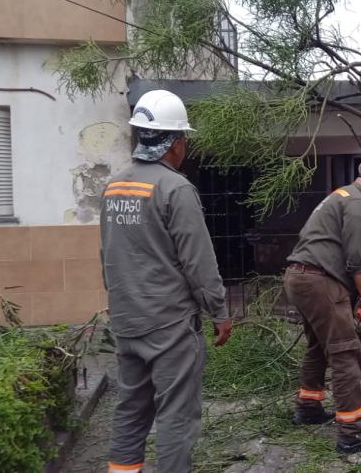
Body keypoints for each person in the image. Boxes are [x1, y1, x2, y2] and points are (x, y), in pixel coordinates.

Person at [101, 89, 232, 473]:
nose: (185, 147)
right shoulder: (176, 189)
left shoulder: (114, 186)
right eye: (184, 139)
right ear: (175, 143)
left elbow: (106, 255)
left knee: (130, 409)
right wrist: (219, 312)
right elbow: (200, 262)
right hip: (169, 326)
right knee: (176, 415)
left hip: (126, 321)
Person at [284, 157, 361, 454]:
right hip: (321, 281)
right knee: (346, 353)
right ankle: (352, 432)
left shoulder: (339, 195)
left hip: (300, 276)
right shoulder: (359, 205)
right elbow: (358, 260)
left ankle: (308, 407)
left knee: (317, 346)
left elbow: (354, 265)